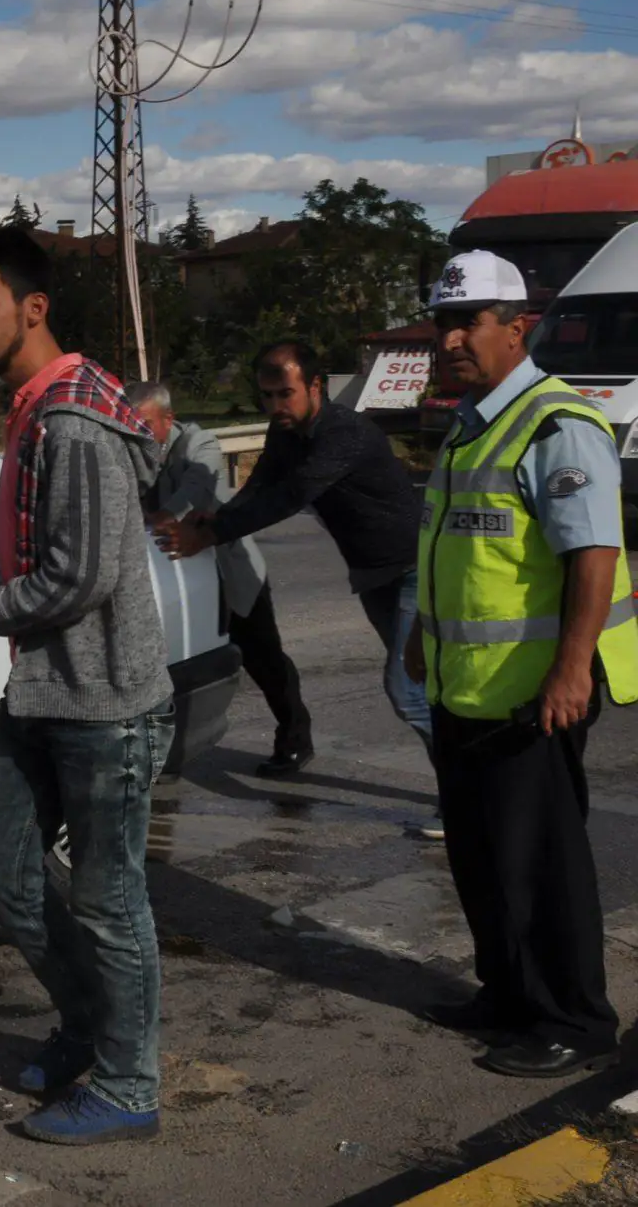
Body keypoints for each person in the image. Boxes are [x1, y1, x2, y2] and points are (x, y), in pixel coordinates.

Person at [0, 227, 174, 1146]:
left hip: (104, 705)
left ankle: (128, 1083)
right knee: (4, 872)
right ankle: (87, 1026)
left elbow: (79, 576)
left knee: (109, 901)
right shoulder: (38, 407)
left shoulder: (71, 422)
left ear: (33, 309)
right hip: (44, 692)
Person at [408, 250, 637, 1077]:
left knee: (540, 862)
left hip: (533, 694)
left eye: (469, 322)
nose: (453, 339)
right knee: (480, 855)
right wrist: (418, 635)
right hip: (467, 687)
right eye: (444, 324)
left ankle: (574, 1019)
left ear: (518, 327)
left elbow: (593, 555)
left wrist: (572, 670)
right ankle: (507, 993)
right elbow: (455, 551)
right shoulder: (472, 425)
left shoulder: (555, 423)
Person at [154, 342, 441, 838]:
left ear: (315, 387)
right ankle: (471, 784)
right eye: (265, 396)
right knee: (427, 689)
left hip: (416, 567)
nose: (274, 406)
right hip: (376, 574)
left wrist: (213, 533)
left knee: (409, 690)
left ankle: (467, 795)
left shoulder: (342, 433)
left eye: (284, 394)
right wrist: (218, 518)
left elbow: (292, 495)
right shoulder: (287, 432)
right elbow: (263, 484)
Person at [123, 381, 311, 776]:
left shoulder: (198, 443)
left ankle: (295, 736)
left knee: (264, 659)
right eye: (128, 425)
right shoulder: (129, 453)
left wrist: (166, 514)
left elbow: (199, 484)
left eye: (144, 425)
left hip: (229, 572)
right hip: (176, 583)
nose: (136, 433)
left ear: (168, 419)